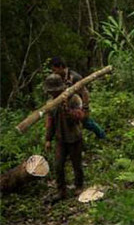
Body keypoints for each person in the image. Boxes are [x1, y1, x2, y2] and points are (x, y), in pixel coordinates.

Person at [43, 74, 86, 202]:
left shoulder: (73, 98)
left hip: (74, 137)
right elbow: (50, 122)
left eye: (54, 91)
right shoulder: (51, 103)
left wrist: (67, 110)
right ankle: (61, 191)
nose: (52, 93)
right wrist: (48, 139)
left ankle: (79, 185)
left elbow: (80, 116)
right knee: (58, 165)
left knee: (76, 163)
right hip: (60, 139)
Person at [49, 57, 105, 139]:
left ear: (61, 67)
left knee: (87, 122)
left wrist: (85, 108)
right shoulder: (60, 78)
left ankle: (102, 135)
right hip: (69, 105)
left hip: (79, 104)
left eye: (55, 70)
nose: (54, 73)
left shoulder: (74, 77)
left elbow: (85, 92)